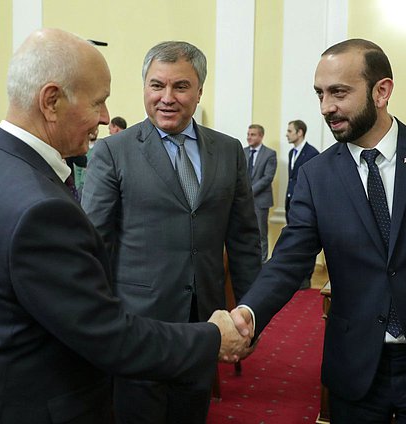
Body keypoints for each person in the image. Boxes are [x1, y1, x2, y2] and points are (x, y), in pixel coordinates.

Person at [0, 29, 248, 424]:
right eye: (98, 102)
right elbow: (107, 335)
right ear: (51, 102)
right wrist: (212, 338)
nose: (106, 117)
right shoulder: (38, 207)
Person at [231, 38, 406, 423]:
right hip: (355, 367)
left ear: (381, 91)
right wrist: (248, 313)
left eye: (339, 92)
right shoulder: (317, 176)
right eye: (320, 93)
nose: (325, 107)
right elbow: (287, 262)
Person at [81, 41, 261, 423]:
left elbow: (245, 241)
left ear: (199, 91)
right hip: (138, 326)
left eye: (180, 86)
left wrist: (251, 314)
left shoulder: (229, 152)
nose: (167, 97)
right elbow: (94, 244)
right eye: (156, 85)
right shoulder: (113, 152)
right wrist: (100, 323)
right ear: (144, 87)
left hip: (203, 322)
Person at [244, 124, 277, 262]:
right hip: (243, 201)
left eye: (253, 134)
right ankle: (247, 262)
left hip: (260, 200)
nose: (249, 137)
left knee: (261, 234)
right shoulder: (242, 151)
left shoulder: (270, 154)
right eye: (248, 134)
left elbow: (267, 178)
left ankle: (262, 264)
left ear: (261, 136)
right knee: (245, 232)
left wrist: (248, 192)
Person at [285, 119, 318, 223]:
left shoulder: (312, 153)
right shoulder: (291, 153)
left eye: (290, 131)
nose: (286, 134)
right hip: (290, 201)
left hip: (303, 203)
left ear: (300, 132)